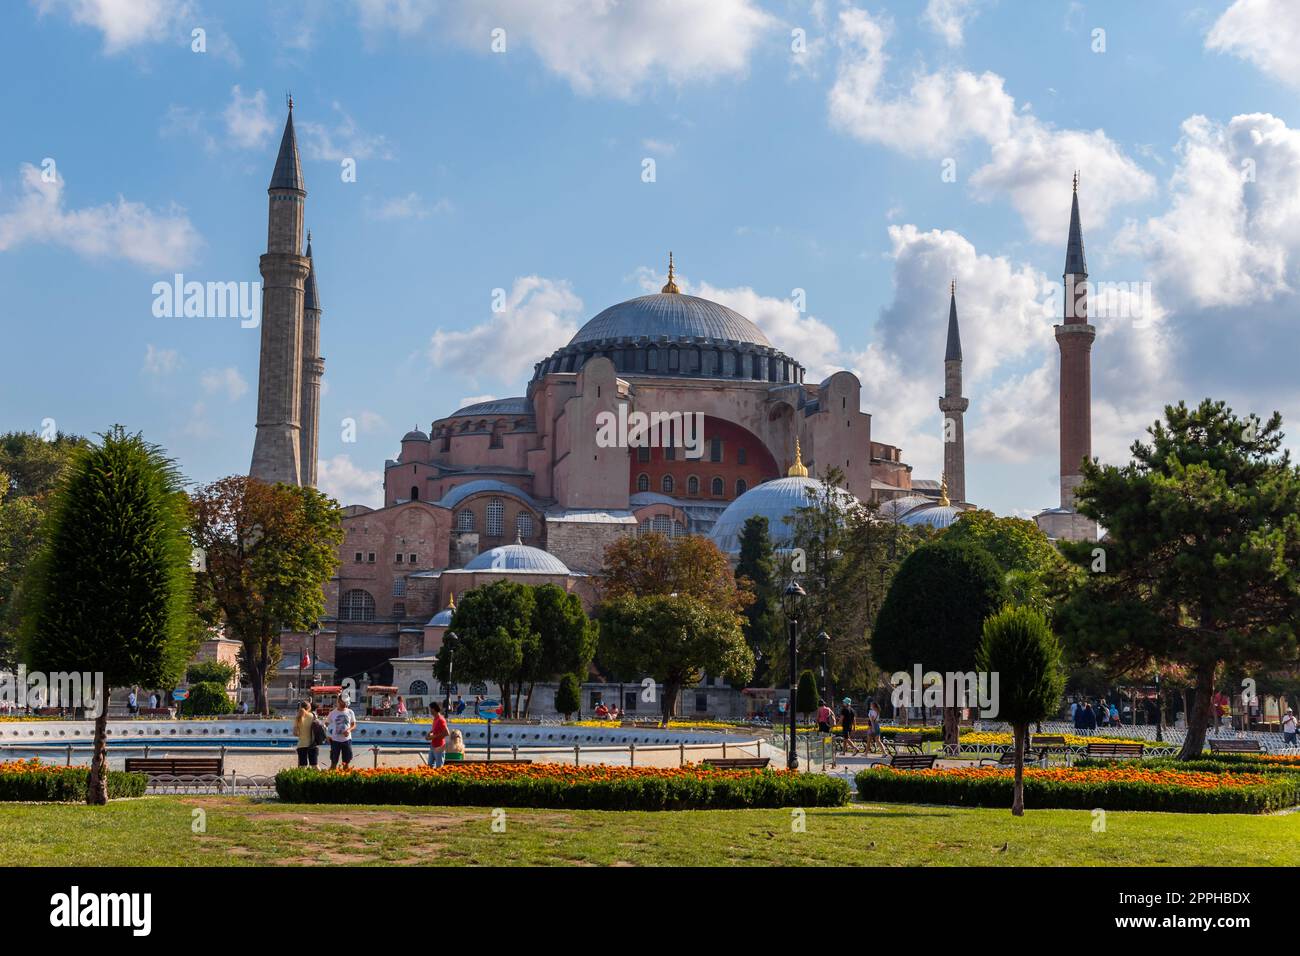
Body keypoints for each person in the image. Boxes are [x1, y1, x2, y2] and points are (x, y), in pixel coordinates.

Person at [327, 694, 357, 770]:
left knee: (346, 763)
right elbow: (326, 724)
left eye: (346, 702)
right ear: (338, 701)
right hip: (335, 741)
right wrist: (328, 735)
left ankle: (345, 779)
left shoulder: (350, 712)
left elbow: (354, 725)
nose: (344, 704)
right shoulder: (332, 713)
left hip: (347, 740)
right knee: (334, 763)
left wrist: (349, 730)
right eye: (343, 702)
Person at [293, 699, 318, 767]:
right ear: (309, 708)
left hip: (301, 744)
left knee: (302, 766)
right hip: (312, 744)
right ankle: (323, 778)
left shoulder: (298, 717)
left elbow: (295, 733)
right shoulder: (313, 716)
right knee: (315, 766)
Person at [427, 701, 450, 768]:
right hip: (433, 746)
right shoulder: (435, 719)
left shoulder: (440, 719)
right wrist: (429, 733)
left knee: (439, 768)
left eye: (430, 709)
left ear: (433, 709)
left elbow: (447, 733)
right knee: (429, 767)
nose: (430, 710)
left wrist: (433, 737)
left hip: (439, 747)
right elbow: (436, 730)